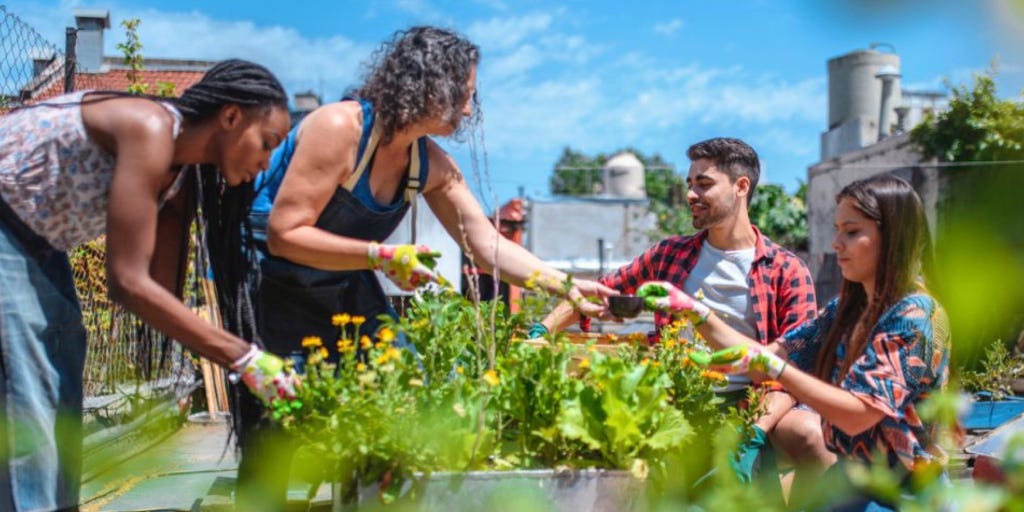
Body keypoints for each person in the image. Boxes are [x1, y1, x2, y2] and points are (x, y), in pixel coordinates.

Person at [239, 26, 617, 511]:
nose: (468, 109)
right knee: (275, 429)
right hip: (270, 288)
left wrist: (567, 286)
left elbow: (487, 246)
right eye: (464, 94)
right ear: (428, 82)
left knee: (401, 392)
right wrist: (380, 257)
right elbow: (285, 233)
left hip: (342, 287)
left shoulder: (428, 163)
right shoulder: (340, 129)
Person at [0, 60, 300, 511]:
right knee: (33, 389)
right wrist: (245, 357)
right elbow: (127, 282)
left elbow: (158, 298)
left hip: (39, 242)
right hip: (8, 224)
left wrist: (246, 360)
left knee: (60, 384)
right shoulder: (149, 127)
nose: (266, 162)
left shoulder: (179, 182)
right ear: (231, 117)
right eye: (267, 142)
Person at [640, 174, 950, 511]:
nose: (836, 243)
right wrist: (694, 310)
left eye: (851, 232)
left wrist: (775, 368)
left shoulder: (915, 314)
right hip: (852, 480)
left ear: (893, 239)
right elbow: (768, 358)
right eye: (837, 230)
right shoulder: (849, 309)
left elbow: (859, 414)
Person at [534, 137, 832, 486]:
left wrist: (751, 434)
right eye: (690, 184)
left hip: (751, 406)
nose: (691, 194)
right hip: (679, 400)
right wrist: (540, 332)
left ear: (741, 187)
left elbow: (792, 374)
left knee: (811, 433)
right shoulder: (670, 255)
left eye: (704, 184)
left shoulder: (785, 270)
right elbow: (600, 293)